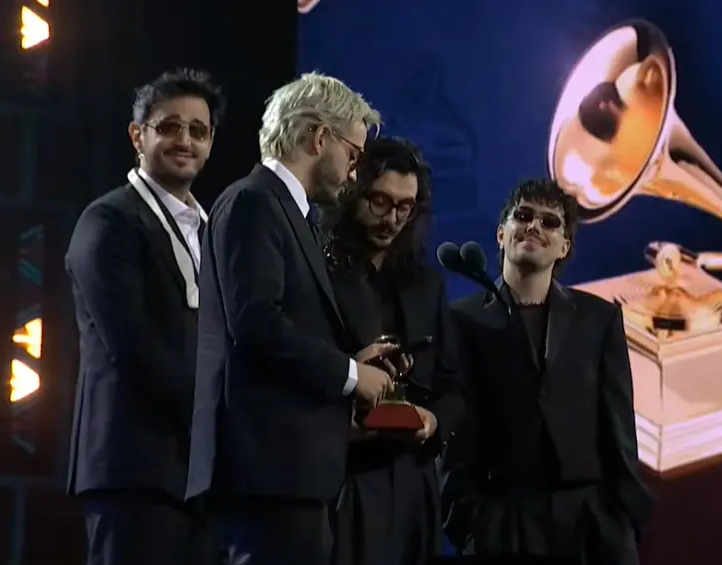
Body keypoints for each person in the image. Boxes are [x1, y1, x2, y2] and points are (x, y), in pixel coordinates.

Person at [186, 72, 394, 565]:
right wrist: (350, 374)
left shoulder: (286, 212)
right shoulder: (254, 202)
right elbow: (257, 323)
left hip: (290, 475)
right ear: (320, 137)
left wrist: (352, 360)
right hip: (266, 474)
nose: (353, 173)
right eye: (354, 154)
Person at [442, 179, 655, 564]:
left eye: (550, 222)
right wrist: (469, 522)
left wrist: (622, 516)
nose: (534, 226)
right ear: (501, 234)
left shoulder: (600, 318)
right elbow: (452, 434)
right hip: (502, 518)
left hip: (592, 522)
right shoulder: (459, 320)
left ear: (564, 247)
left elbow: (619, 429)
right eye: (523, 216)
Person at [65, 68, 225, 565]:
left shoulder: (210, 229)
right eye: (169, 126)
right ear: (138, 135)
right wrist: (221, 416)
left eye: (198, 130)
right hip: (133, 468)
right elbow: (134, 348)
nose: (185, 141)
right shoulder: (109, 220)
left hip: (198, 474)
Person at [320, 137, 466, 565]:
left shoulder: (427, 283)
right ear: (353, 191)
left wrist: (432, 421)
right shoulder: (318, 270)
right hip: (342, 478)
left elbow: (453, 386)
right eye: (380, 202)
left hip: (414, 483)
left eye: (406, 208)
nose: (392, 219)